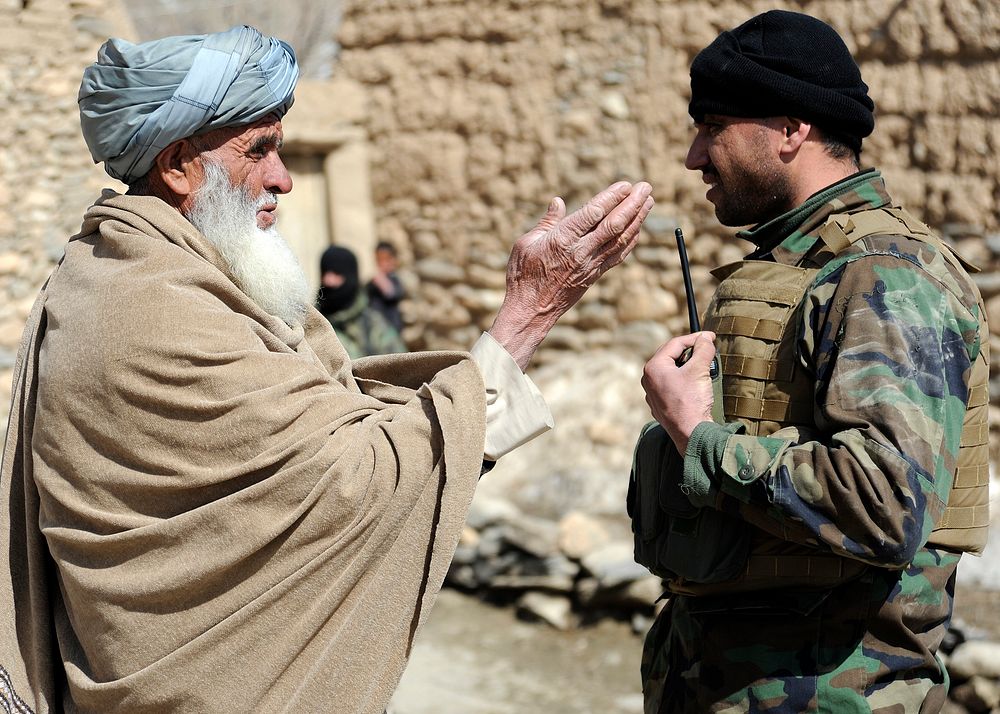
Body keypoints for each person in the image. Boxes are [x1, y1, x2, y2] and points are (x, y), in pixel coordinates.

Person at [0, 26, 654, 714]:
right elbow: (351, 484)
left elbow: (323, 428)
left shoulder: (118, 273)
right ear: (177, 166)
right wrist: (526, 315)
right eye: (261, 150)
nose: (282, 179)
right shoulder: (152, 310)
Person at [630, 10, 989, 713]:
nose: (694, 157)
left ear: (792, 129)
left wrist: (699, 439)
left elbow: (883, 504)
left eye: (714, 128)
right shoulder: (803, 268)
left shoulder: (887, 278)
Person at [316, 245, 407, 358]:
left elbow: (397, 365)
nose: (328, 281)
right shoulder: (312, 322)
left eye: (336, 274)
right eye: (325, 273)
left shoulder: (374, 327)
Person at [367, 241, 406, 334]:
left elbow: (392, 293)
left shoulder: (395, 280)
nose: (382, 263)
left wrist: (381, 279)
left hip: (391, 328)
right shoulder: (371, 284)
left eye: (386, 259)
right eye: (379, 259)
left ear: (393, 260)